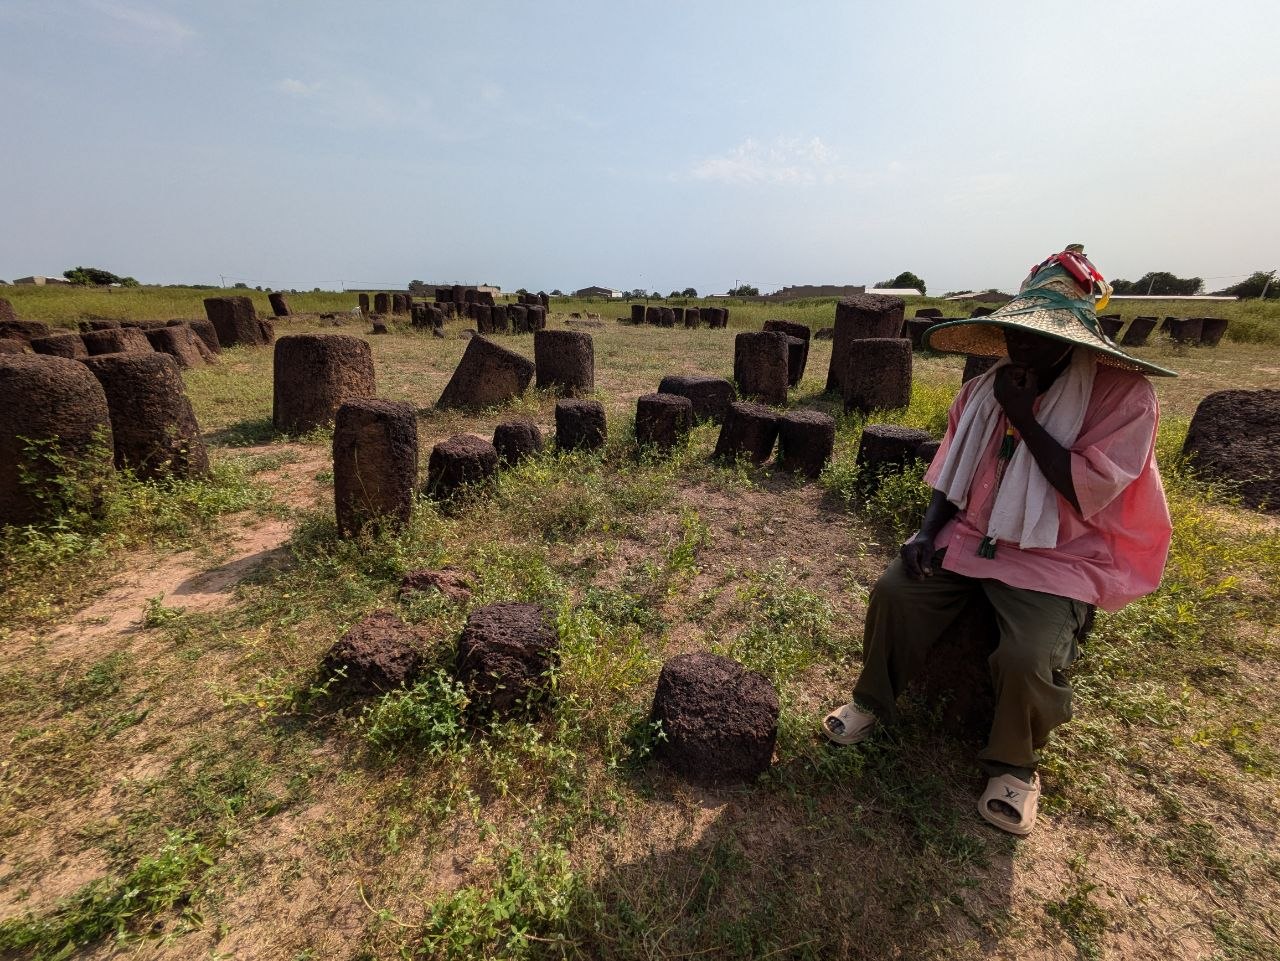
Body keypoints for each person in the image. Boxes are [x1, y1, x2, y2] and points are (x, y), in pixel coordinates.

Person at [822, 245, 1176, 835]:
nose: (1020, 345)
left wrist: (1026, 415)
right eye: (1014, 331)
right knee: (894, 592)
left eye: (1035, 336)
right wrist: (926, 530)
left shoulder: (1124, 399)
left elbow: (1085, 490)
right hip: (969, 536)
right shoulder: (985, 389)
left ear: (1076, 339)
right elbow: (952, 473)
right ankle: (871, 701)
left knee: (1027, 656)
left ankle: (1014, 765)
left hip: (1058, 554)